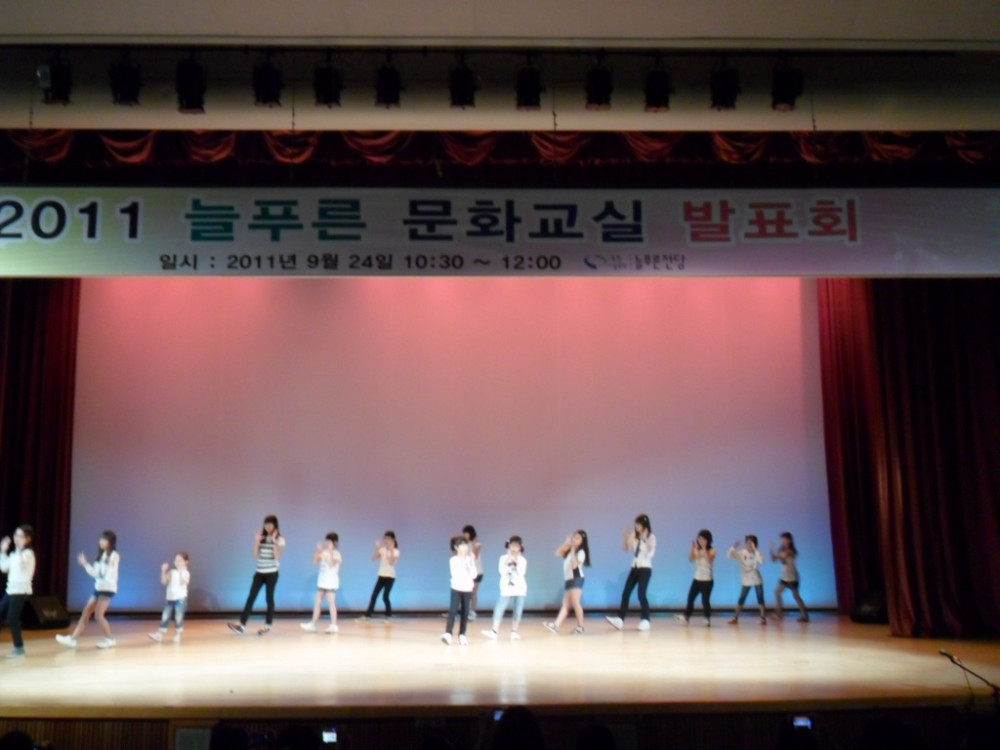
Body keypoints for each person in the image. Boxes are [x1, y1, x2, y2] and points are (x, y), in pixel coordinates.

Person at [56, 529, 120, 648]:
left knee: (98, 615)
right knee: (86, 612)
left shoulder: (114, 555)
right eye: (101, 539)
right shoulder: (100, 556)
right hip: (99, 587)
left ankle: (110, 639)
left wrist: (100, 566)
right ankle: (72, 639)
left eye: (105, 540)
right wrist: (85, 564)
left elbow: (105, 573)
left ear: (111, 542)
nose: (102, 542)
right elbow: (95, 573)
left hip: (108, 588)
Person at [228, 514, 285, 635]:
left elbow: (276, 556)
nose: (268, 526)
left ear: (275, 525)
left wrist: (274, 542)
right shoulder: (262, 537)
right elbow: (254, 555)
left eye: (270, 524)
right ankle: (241, 625)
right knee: (251, 597)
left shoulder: (280, 539)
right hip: (259, 572)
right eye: (266, 524)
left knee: (269, 598)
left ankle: (267, 625)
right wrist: (257, 542)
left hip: (272, 573)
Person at [605, 514, 656, 631]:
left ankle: (645, 620)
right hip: (634, 567)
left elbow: (650, 551)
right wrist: (626, 537)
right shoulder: (635, 536)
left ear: (644, 525)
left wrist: (644, 538)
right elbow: (626, 548)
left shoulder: (651, 537)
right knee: (626, 593)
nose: (636, 526)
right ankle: (620, 619)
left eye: (638, 524)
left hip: (645, 568)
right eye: (636, 524)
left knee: (641, 594)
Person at [544, 530, 590, 634]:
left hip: (576, 578)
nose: (574, 539)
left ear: (582, 542)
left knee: (576, 602)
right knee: (565, 604)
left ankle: (580, 627)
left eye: (578, 538)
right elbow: (557, 553)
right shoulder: (569, 549)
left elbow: (574, 566)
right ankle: (556, 625)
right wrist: (566, 543)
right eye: (574, 537)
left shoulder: (581, 552)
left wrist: (573, 550)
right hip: (568, 579)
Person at [482, 535, 527, 640]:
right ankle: (494, 631)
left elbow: (521, 573)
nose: (514, 548)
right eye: (512, 545)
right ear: (509, 546)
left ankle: (514, 631)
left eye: (516, 546)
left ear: (520, 547)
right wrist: (508, 560)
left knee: (518, 610)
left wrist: (516, 561)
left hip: (520, 588)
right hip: (507, 587)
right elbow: (501, 571)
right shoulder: (503, 558)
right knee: (500, 608)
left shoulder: (522, 560)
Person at [0, 524, 35, 658]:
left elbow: (21, 564)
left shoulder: (28, 554)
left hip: (21, 590)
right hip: (11, 590)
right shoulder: (15, 554)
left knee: (12, 619)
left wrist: (19, 549)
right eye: (16, 535)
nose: (16, 538)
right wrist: (3, 552)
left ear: (28, 539)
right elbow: (4, 568)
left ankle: (19, 648)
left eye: (20, 536)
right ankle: (19, 648)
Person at [300, 532, 341, 633]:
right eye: (327, 541)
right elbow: (315, 561)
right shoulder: (324, 552)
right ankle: (313, 624)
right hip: (322, 581)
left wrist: (330, 552)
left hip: (331, 582)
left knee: (331, 603)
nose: (327, 543)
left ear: (334, 543)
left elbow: (332, 564)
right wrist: (318, 551)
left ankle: (333, 625)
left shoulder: (337, 554)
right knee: (317, 602)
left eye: (329, 541)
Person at [675, 529, 716, 626]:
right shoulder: (697, 549)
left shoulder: (712, 550)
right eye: (699, 539)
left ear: (708, 540)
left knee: (705, 601)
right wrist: (693, 549)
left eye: (703, 539)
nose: (701, 541)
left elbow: (709, 560)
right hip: (697, 578)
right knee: (690, 598)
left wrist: (704, 548)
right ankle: (686, 617)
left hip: (707, 580)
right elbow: (691, 559)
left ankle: (707, 619)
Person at [441, 535, 477, 645]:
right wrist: (463, 562)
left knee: (465, 612)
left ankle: (462, 634)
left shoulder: (470, 560)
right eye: (462, 545)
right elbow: (455, 574)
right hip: (456, 588)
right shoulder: (453, 560)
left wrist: (471, 562)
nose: (465, 547)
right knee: (453, 611)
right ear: (456, 547)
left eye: (466, 545)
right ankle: (448, 634)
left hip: (467, 589)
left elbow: (474, 575)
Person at [148, 551, 190, 643]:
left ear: (186, 562)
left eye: (180, 560)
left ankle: (177, 634)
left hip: (180, 599)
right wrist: (163, 571)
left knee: (178, 618)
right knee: (165, 617)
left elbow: (182, 582)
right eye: (176, 560)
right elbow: (164, 582)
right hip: (170, 599)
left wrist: (181, 571)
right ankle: (159, 635)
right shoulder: (172, 572)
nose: (177, 562)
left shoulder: (186, 573)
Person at [358, 530, 399, 622]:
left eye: (388, 539)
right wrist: (378, 548)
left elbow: (391, 562)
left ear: (393, 540)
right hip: (381, 575)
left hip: (390, 577)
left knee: (385, 596)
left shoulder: (396, 551)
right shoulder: (383, 549)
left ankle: (388, 615)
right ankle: (368, 615)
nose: (386, 541)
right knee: (374, 595)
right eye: (385, 538)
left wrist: (390, 550)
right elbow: (373, 558)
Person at [727, 534, 766, 625]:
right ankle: (735, 617)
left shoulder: (757, 552)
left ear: (755, 543)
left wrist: (755, 550)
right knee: (742, 598)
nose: (749, 544)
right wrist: (733, 547)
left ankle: (763, 618)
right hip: (746, 579)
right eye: (747, 542)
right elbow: (730, 556)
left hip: (756, 578)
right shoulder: (742, 552)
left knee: (760, 598)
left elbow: (762, 561)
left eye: (751, 542)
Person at [771, 532, 809, 622]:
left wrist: (776, 554)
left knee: (796, 596)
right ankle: (779, 613)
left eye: (785, 540)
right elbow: (774, 559)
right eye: (782, 540)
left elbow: (782, 558)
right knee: (777, 593)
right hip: (784, 576)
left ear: (789, 540)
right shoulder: (782, 550)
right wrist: (771, 550)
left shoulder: (791, 551)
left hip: (792, 577)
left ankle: (804, 615)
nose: (783, 541)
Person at [462, 524, 484, 621]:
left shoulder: (477, 543)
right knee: (465, 593)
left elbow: (475, 556)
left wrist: (474, 545)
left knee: (473, 593)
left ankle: (472, 612)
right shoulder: (464, 544)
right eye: (464, 533)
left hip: (477, 572)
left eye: (466, 533)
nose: (464, 535)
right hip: (467, 573)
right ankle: (464, 612)